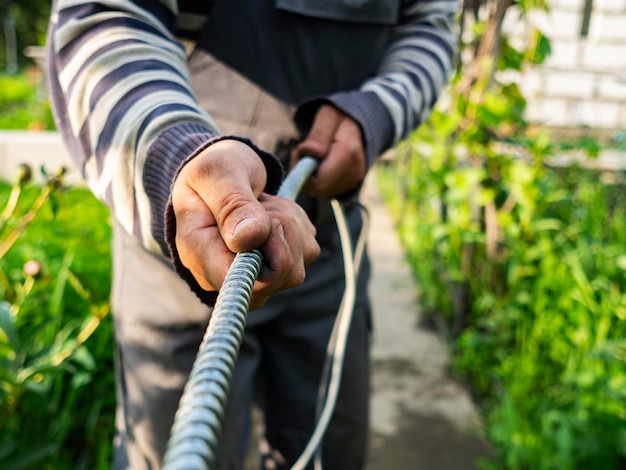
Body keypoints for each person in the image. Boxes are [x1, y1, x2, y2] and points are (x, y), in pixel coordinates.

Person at [46, 0, 458, 468]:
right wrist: (176, 153)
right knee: (173, 444)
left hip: (326, 247)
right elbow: (105, 18)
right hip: (181, 245)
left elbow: (430, 26)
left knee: (329, 448)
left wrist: (376, 111)